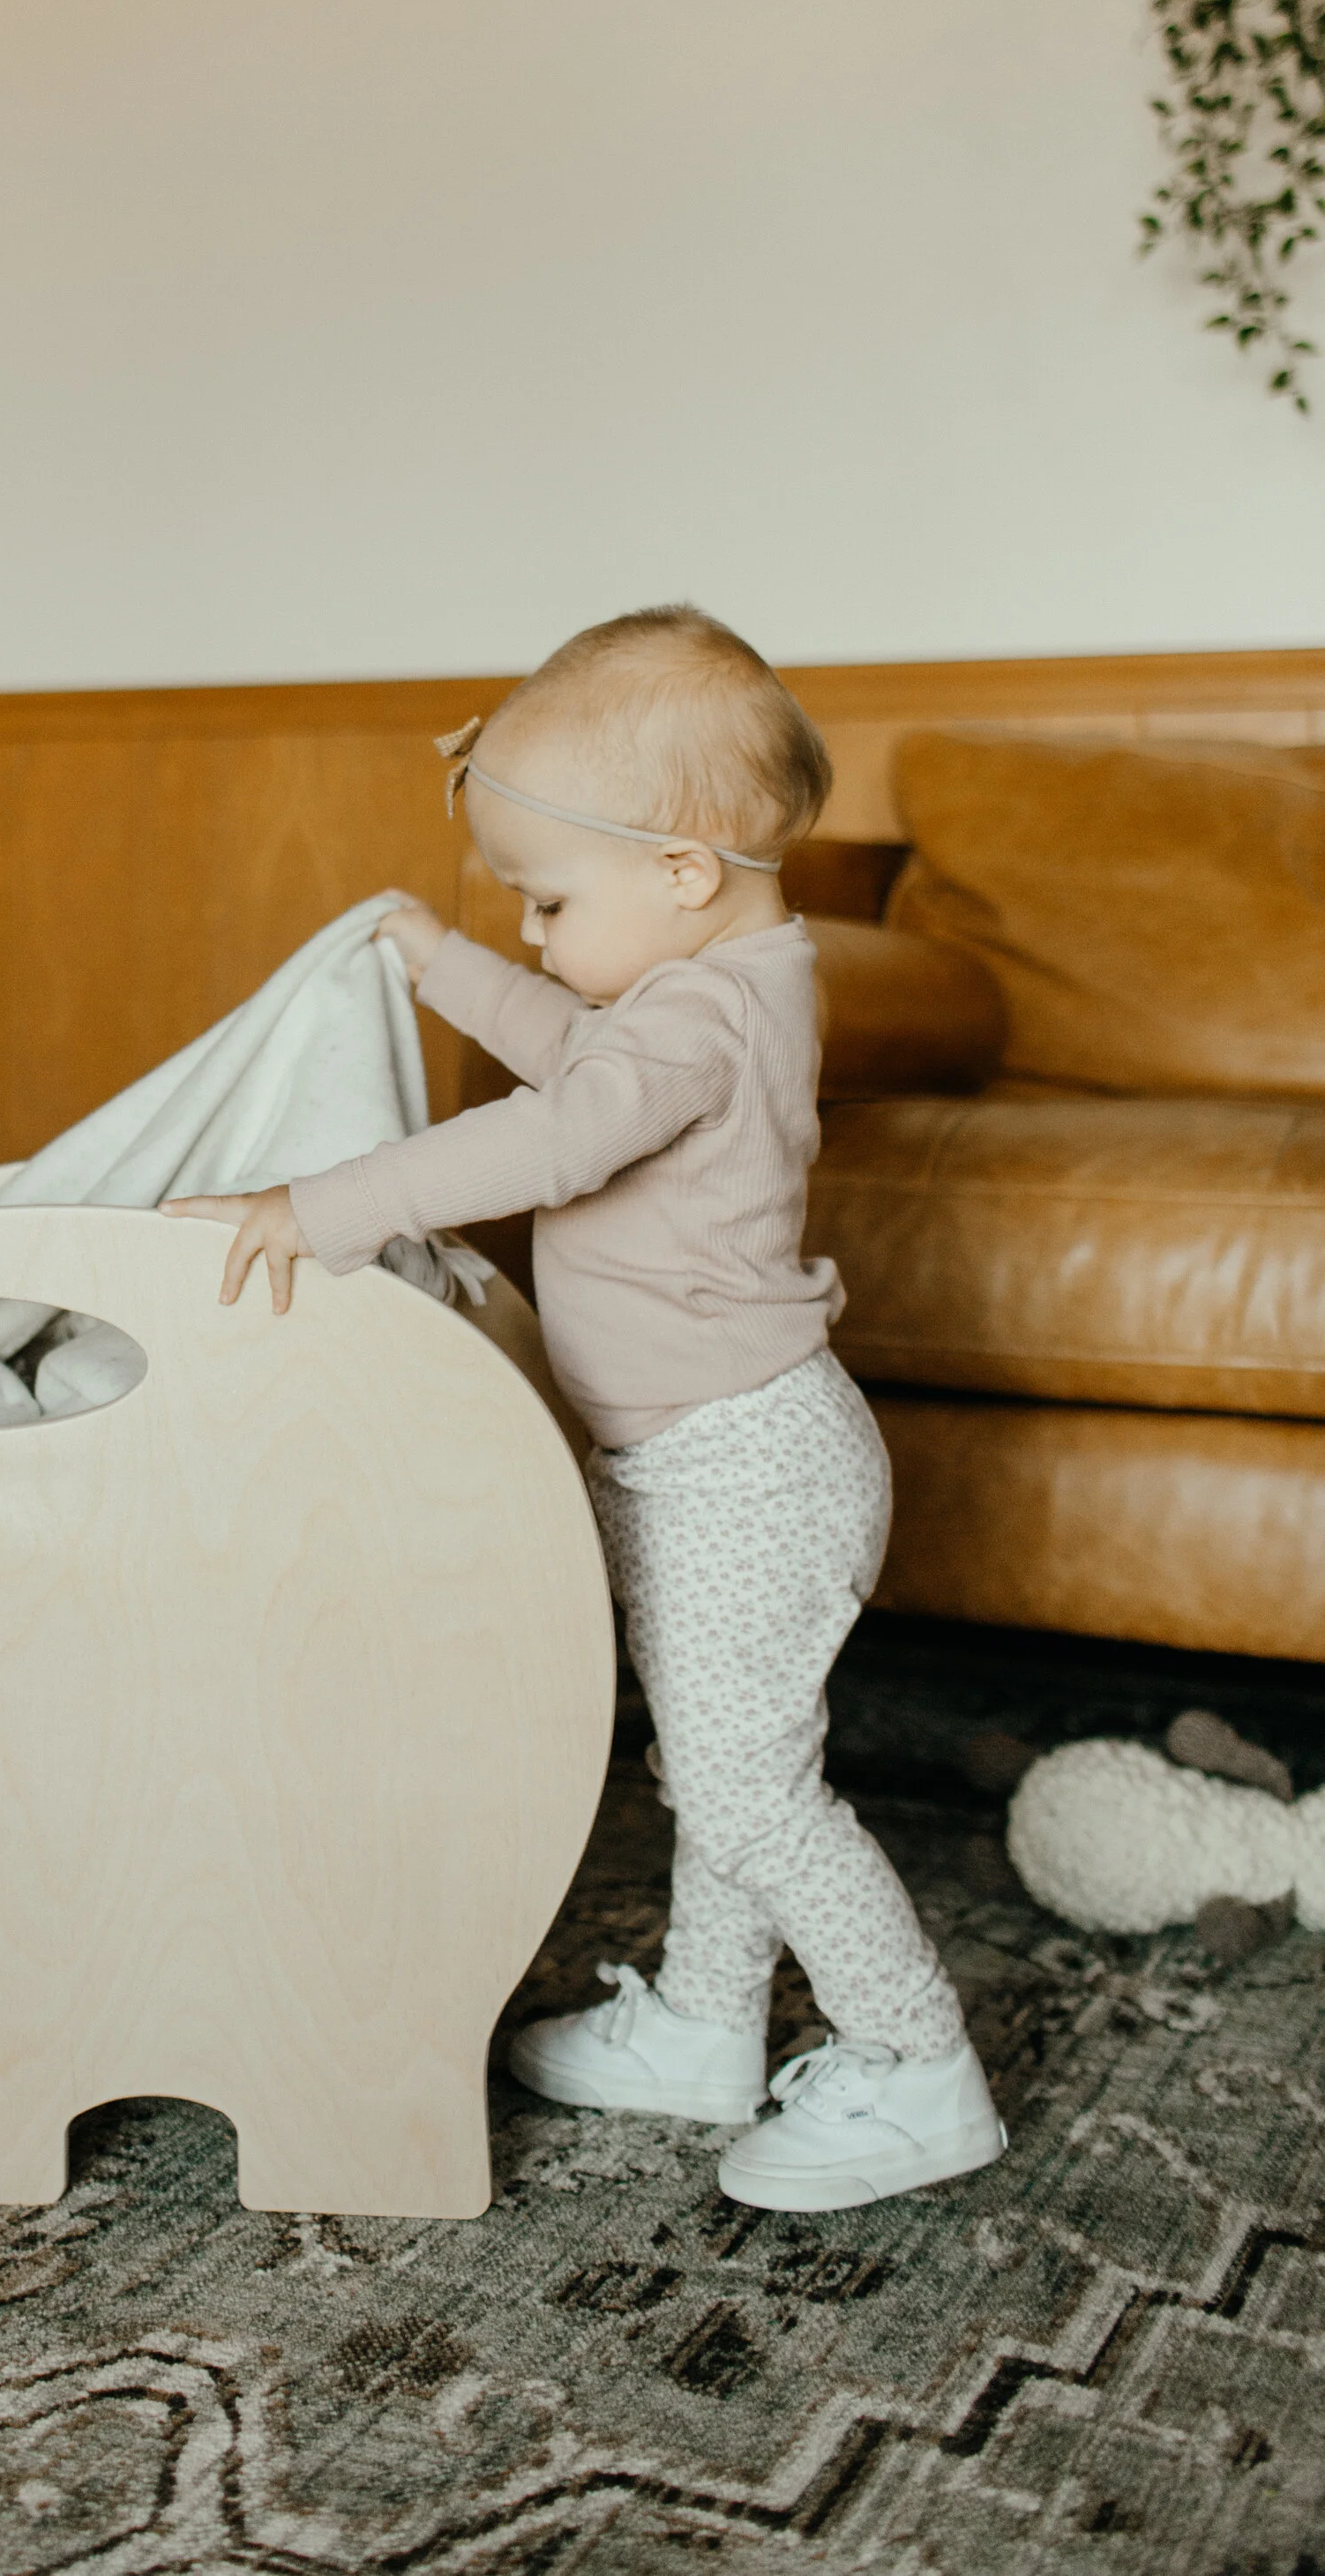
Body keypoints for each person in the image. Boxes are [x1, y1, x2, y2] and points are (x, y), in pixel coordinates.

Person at [164, 603, 1004, 2213]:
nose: (537, 931)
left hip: (750, 1463)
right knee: (716, 1763)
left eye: (549, 899)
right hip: (691, 1457)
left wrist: (313, 1206)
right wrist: (447, 960)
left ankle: (919, 2063)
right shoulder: (714, 987)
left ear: (684, 873)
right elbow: (578, 1061)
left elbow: (557, 1137)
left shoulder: (709, 1009)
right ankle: (703, 2024)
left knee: (755, 1784)